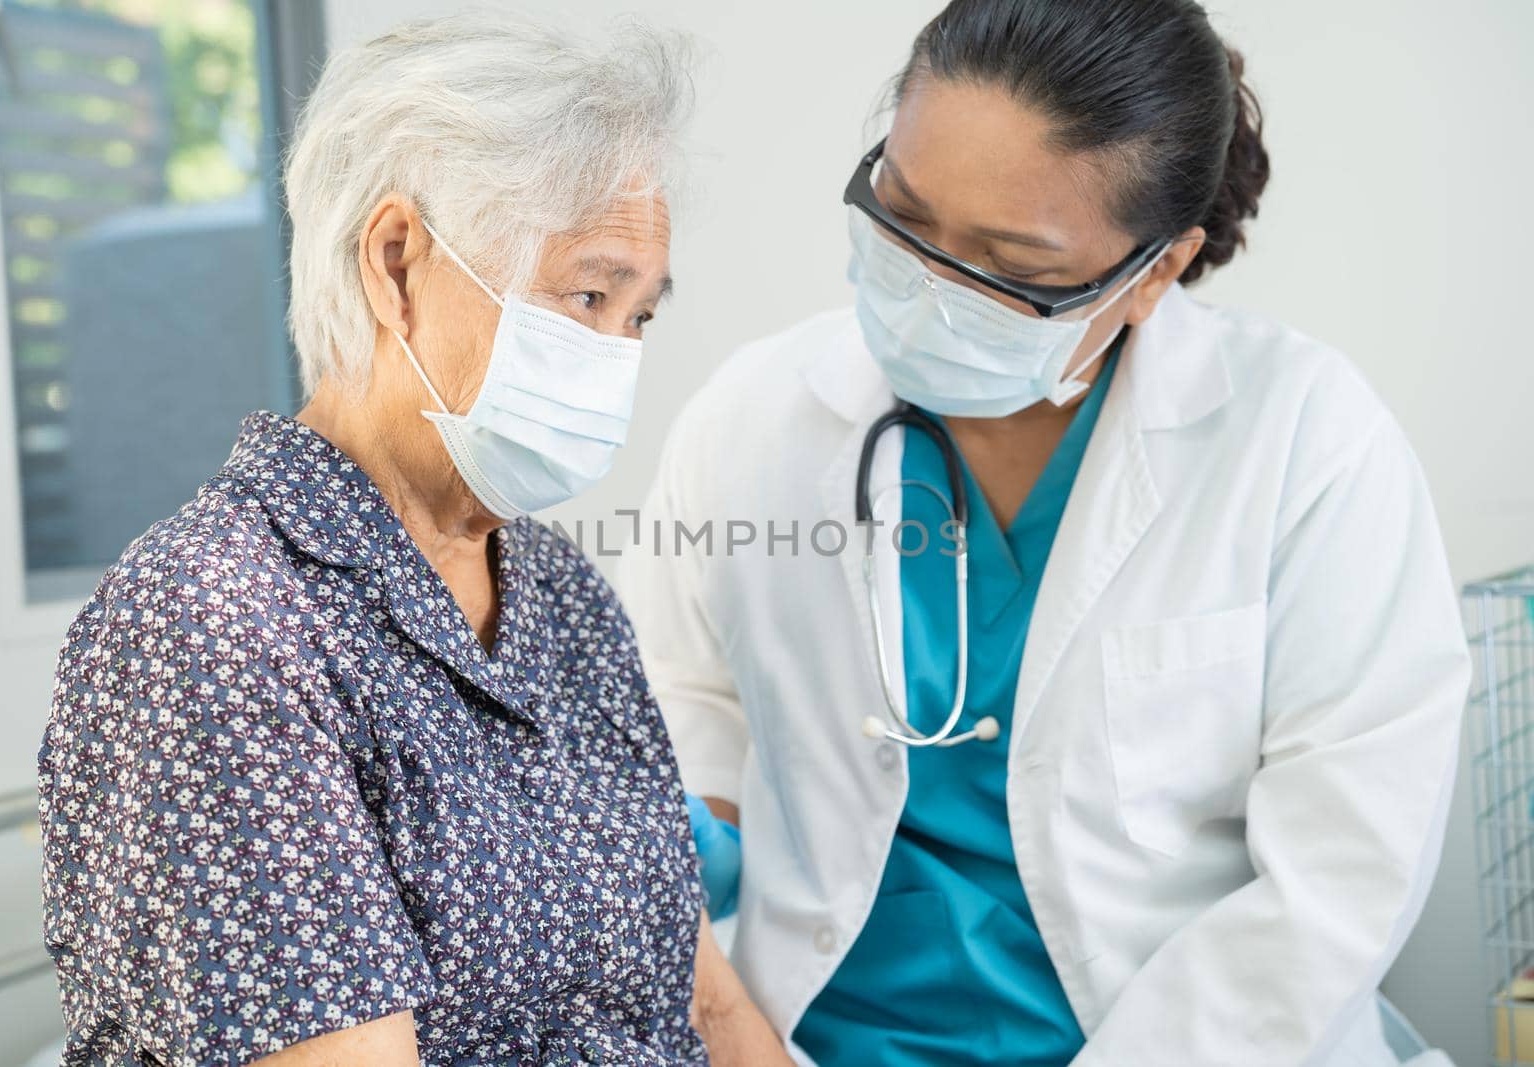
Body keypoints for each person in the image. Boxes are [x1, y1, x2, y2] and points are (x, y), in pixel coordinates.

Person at [619, 1, 1469, 1064]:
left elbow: (1340, 874)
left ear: (1153, 271)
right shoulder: (750, 418)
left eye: (1010, 265)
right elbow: (690, 706)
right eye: (905, 215)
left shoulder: (1300, 439)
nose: (930, 287)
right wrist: (695, 825)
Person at [36, 11, 788, 1066]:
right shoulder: (215, 622)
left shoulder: (560, 593)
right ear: (395, 263)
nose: (618, 356)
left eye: (639, 317)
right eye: (586, 295)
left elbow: (704, 1002)